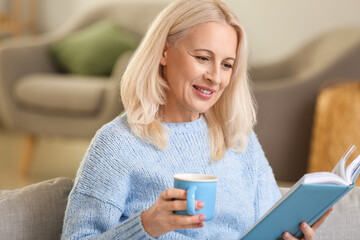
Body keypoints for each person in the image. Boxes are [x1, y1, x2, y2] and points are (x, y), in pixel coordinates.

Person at [61, 0, 331, 239]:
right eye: (203, 58)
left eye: (226, 65)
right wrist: (146, 227)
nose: (215, 76)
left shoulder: (237, 139)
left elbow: (269, 225)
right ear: (164, 52)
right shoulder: (116, 145)